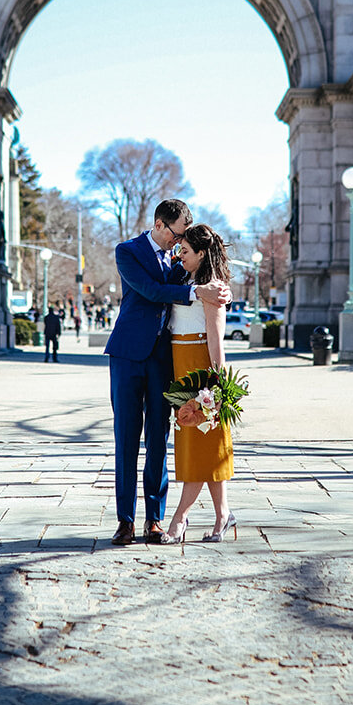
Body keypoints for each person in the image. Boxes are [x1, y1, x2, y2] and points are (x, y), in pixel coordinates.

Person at [105, 200, 230, 546]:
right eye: (175, 235)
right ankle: (125, 521)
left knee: (159, 439)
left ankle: (154, 519)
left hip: (164, 359)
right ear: (160, 225)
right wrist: (196, 291)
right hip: (128, 355)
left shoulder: (177, 260)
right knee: (127, 438)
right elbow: (150, 291)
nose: (178, 244)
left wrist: (220, 290)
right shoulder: (127, 251)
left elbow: (200, 275)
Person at [164, 225, 236, 544]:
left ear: (202, 254)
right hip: (181, 367)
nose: (180, 257)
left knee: (199, 446)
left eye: (186, 252)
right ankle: (223, 516)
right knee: (205, 447)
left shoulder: (213, 288)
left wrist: (219, 388)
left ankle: (179, 519)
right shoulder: (187, 282)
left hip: (201, 373)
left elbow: (216, 341)